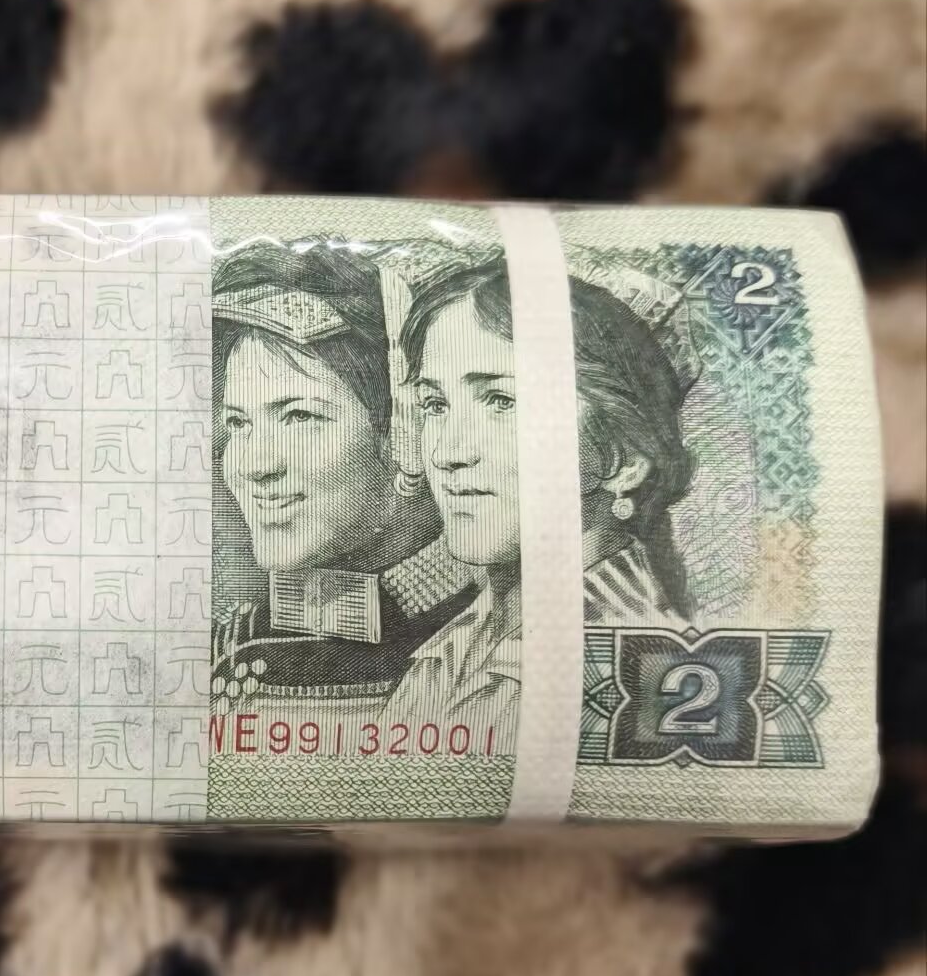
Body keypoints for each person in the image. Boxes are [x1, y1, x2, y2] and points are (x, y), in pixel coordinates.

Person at [382, 256, 693, 745]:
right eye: (435, 405)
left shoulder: (629, 664)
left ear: (623, 457)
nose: (447, 453)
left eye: (503, 402)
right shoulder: (451, 649)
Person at [210, 240, 469, 708]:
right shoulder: (230, 647)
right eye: (238, 423)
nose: (255, 466)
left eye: (300, 417)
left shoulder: (490, 636)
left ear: (402, 433)